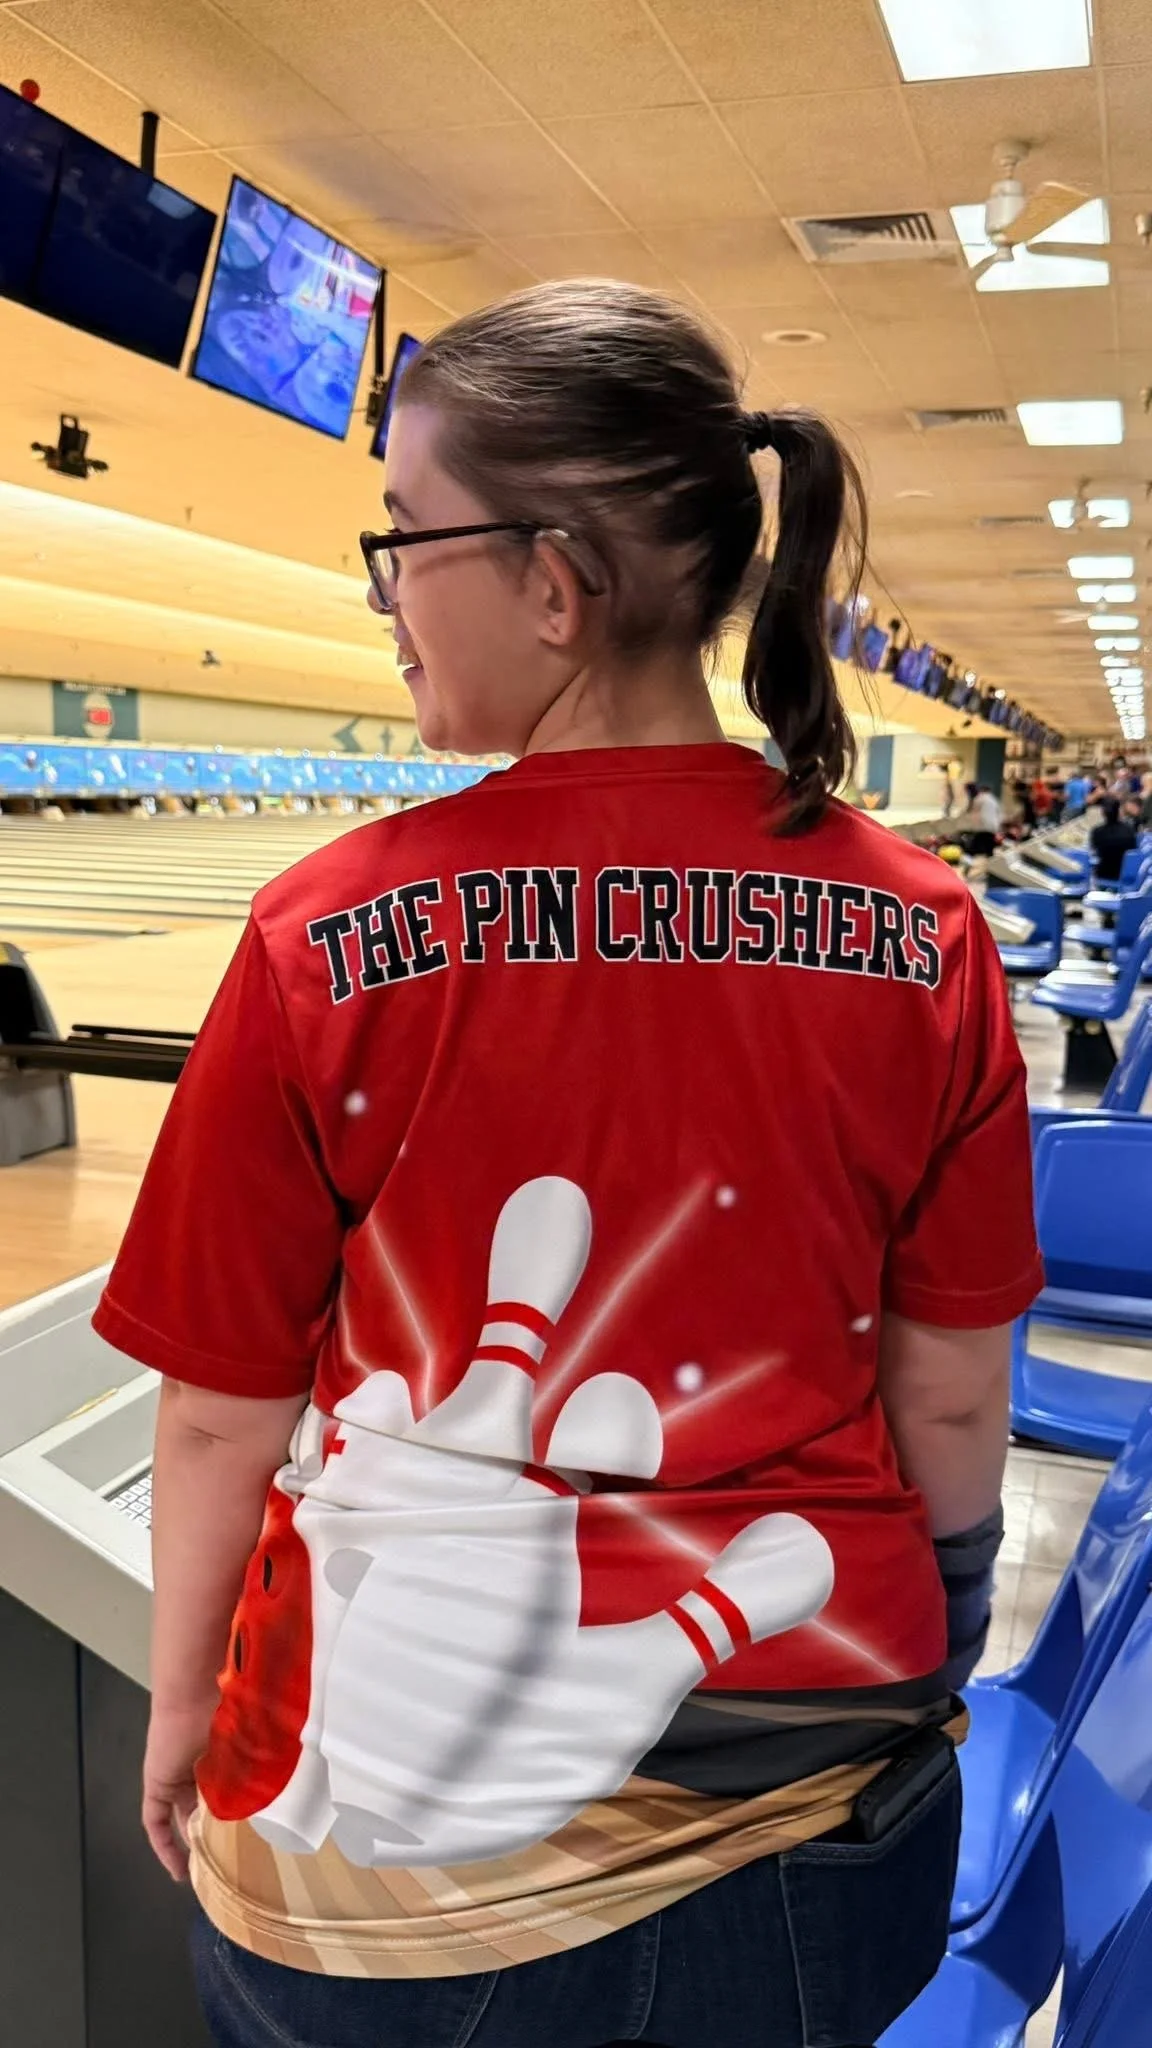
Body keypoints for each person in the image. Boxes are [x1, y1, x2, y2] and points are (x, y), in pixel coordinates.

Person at [94, 282, 1042, 2048]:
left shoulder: (327, 930)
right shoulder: (924, 928)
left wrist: (177, 1712)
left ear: (548, 578)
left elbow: (223, 1413)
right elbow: (951, 1389)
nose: (382, 599)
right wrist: (945, 1616)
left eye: (401, 541)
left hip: (372, 1819)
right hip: (818, 1776)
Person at [1090, 796, 1139, 883]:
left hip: (1103, 874)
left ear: (1103, 812)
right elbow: (1134, 850)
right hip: (1126, 875)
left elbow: (1094, 851)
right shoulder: (1129, 830)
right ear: (1119, 811)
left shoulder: (1097, 832)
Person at [962, 780, 1003, 858]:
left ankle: (969, 861)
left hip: (982, 827)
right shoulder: (994, 800)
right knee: (989, 848)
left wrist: (971, 825)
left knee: (973, 849)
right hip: (992, 827)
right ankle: (990, 863)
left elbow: (973, 813)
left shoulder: (979, 799)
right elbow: (999, 814)